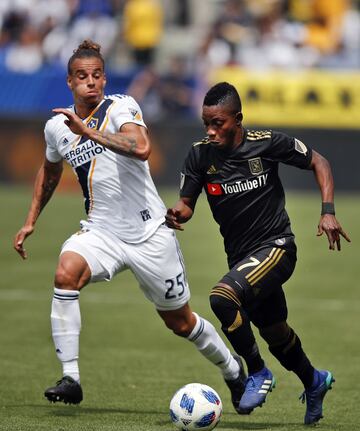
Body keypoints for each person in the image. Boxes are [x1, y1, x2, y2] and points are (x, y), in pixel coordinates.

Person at [13, 43, 246, 406]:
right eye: (82, 77)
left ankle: (233, 369)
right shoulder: (56, 127)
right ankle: (70, 378)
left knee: (181, 323)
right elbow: (50, 170)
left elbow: (140, 149)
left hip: (149, 233)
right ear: (70, 82)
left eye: (96, 75)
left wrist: (89, 133)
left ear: (104, 78)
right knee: (65, 273)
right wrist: (30, 221)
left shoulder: (121, 106)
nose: (91, 82)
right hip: (101, 232)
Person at [165, 81, 351, 425]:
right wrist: (177, 213)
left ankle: (257, 372)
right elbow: (187, 203)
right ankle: (314, 381)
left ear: (238, 119)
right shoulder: (199, 155)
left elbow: (319, 161)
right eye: (206, 122)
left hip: (277, 247)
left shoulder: (266, 144)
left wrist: (327, 211)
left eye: (218, 123)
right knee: (275, 332)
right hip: (243, 259)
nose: (210, 130)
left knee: (222, 298)